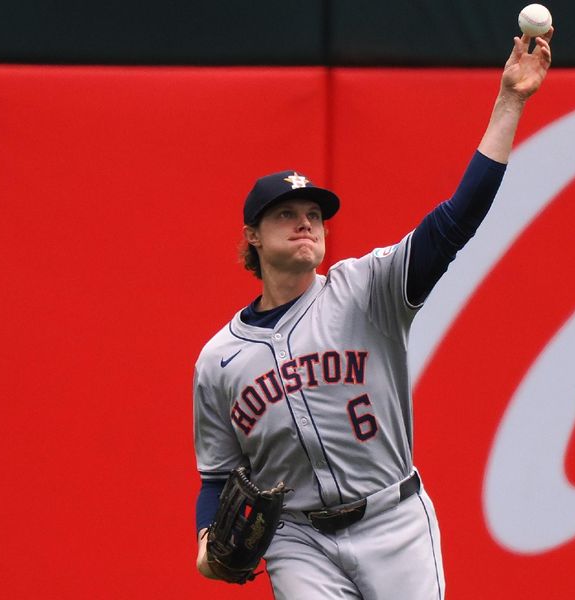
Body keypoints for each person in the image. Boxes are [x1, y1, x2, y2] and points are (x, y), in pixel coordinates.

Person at [193, 28, 553, 599]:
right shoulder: (219, 361)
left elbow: (455, 221)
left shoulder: (368, 288)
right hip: (298, 540)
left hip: (394, 519)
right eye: (286, 213)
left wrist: (510, 100)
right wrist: (205, 540)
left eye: (314, 212)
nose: (305, 222)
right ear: (252, 238)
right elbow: (217, 476)